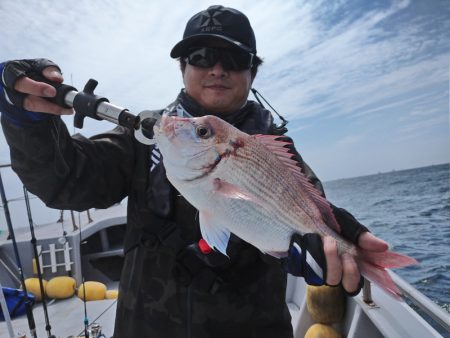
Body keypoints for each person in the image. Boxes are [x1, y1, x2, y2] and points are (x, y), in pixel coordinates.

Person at [0, 5, 388, 338]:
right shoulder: (146, 133)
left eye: (234, 59)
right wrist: (27, 123)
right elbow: (66, 182)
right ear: (183, 67)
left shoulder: (276, 148)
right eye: (202, 56)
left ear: (252, 72)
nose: (217, 69)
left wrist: (330, 238)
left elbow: (308, 207)